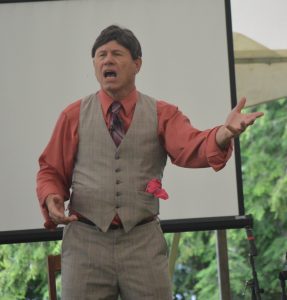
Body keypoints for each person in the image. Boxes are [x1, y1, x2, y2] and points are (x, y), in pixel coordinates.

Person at [36, 25, 263, 300]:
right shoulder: (73, 115)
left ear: (137, 64)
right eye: (101, 55)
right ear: (94, 65)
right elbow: (50, 169)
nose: (107, 60)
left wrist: (225, 133)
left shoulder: (162, 113)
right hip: (85, 243)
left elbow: (192, 147)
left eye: (117, 54)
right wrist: (51, 198)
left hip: (142, 242)